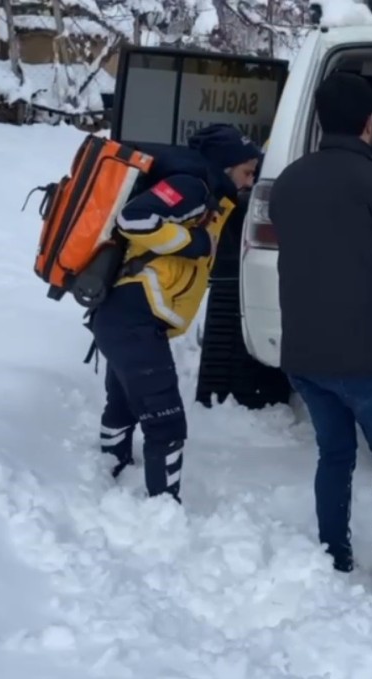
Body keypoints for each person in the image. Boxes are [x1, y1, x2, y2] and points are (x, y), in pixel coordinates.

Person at [268, 73, 372, 595]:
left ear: (319, 119)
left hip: (304, 350)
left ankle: (333, 556)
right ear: (371, 122)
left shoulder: (288, 182)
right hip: (366, 351)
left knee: (334, 454)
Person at [91, 124, 261, 503]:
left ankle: (106, 475)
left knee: (122, 406)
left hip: (127, 317)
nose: (250, 180)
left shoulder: (211, 194)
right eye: (248, 171)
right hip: (132, 315)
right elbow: (134, 219)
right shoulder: (192, 187)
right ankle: (163, 508)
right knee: (166, 421)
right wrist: (193, 242)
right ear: (227, 164)